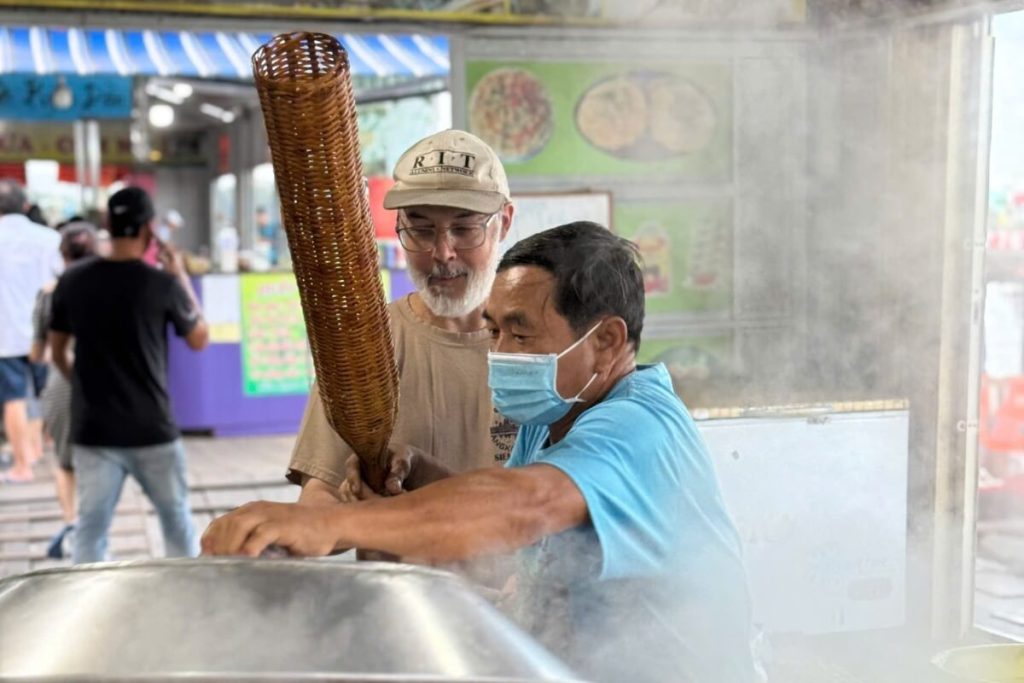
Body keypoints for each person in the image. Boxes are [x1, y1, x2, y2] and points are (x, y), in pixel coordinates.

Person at [202, 222, 761, 683]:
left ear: (606, 341)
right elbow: (511, 550)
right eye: (494, 332)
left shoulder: (640, 426)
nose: (500, 354)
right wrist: (422, 476)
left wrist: (332, 525)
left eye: (521, 334)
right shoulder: (552, 418)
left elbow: (525, 506)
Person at [288, 129, 518, 509]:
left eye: (464, 229)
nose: (442, 253)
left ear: (504, 222)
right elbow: (319, 493)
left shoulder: (539, 344)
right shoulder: (367, 344)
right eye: (421, 230)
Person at [49, 187, 210, 564]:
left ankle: (87, 598)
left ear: (107, 225)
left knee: (91, 530)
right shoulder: (161, 284)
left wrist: (83, 384)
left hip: (93, 431)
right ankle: (186, 593)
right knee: (176, 522)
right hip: (152, 429)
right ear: (148, 229)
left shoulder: (73, 281)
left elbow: (57, 352)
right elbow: (200, 338)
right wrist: (180, 275)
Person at [29, 221, 98, 558]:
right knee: (98, 462)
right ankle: (94, 530)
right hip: (103, 383)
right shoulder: (107, 288)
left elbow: (37, 353)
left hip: (61, 384)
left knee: (64, 462)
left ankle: (72, 525)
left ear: (62, 254)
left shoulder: (49, 293)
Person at [0, 179, 62, 483]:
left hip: (5, 333)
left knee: (13, 398)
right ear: (25, 205)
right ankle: (37, 449)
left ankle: (22, 465)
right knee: (43, 392)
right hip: (45, 331)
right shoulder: (49, 238)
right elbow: (63, 280)